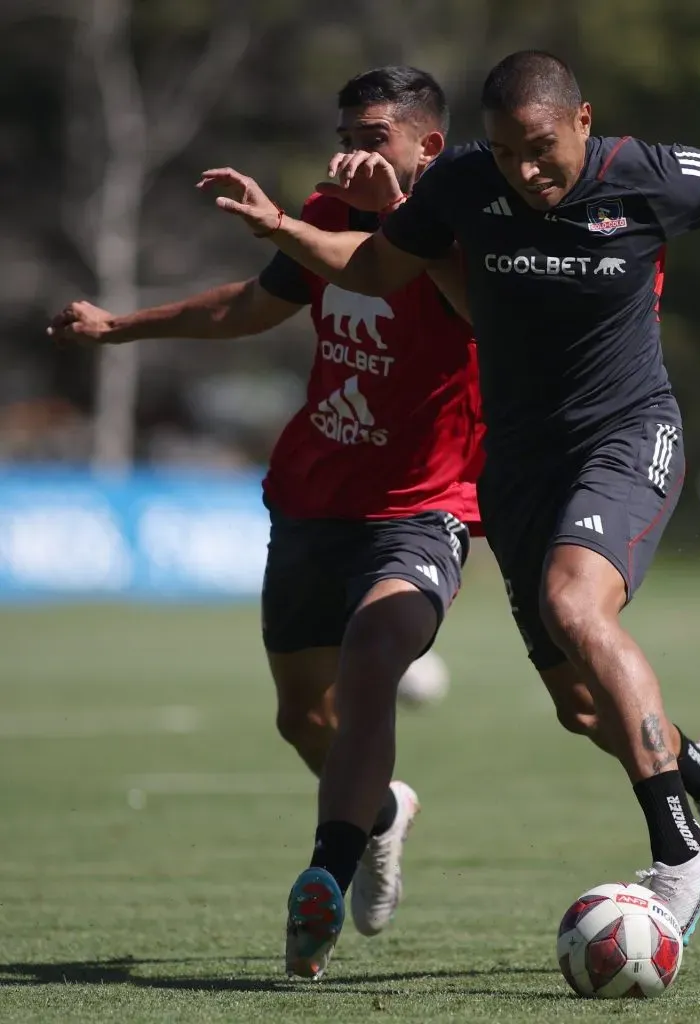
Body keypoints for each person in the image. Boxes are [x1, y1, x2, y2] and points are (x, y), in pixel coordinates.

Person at [197, 50, 700, 950]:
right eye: (506, 153)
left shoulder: (648, 175)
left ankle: (678, 848)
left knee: (573, 602)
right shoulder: (465, 180)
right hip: (521, 466)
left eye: (541, 149)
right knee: (579, 707)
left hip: (627, 436)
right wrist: (279, 227)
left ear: (584, 121)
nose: (526, 171)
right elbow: (380, 268)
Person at [47, 66, 485, 979]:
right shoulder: (325, 205)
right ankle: (382, 813)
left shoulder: (468, 221)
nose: (354, 149)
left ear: (426, 146)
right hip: (311, 499)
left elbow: (475, 306)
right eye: (349, 132)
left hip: (422, 506)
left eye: (374, 134)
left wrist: (395, 208)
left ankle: (323, 869)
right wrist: (119, 328)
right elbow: (252, 307)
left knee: (375, 656)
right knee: (301, 719)